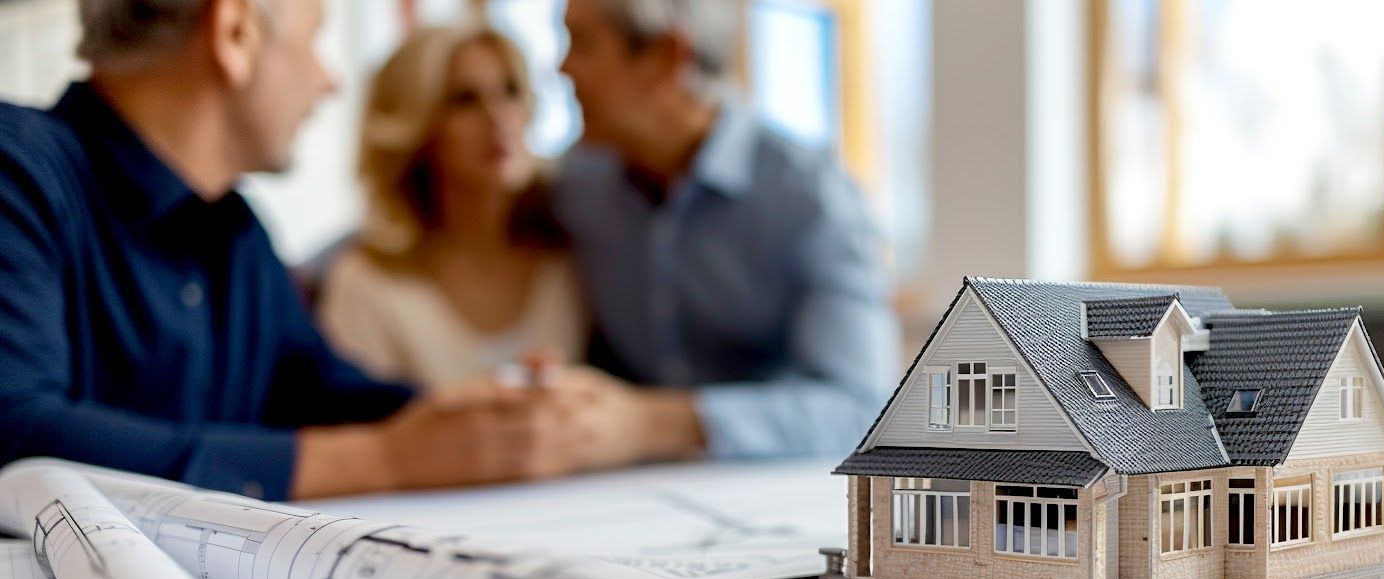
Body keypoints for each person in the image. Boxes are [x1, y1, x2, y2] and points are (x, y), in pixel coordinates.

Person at [0, 0, 568, 500]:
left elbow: (322, 392)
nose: (330, 82)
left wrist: (505, 416)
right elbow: (15, 427)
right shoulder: (18, 171)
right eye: (314, 36)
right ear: (235, 33)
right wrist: (383, 461)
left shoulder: (236, 234)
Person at [547, 0, 899, 470]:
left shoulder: (810, 198)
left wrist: (651, 423)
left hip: (770, 492)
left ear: (665, 57)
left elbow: (860, 408)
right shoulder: (575, 187)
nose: (561, 69)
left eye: (582, 44)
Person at [319, 25, 586, 389]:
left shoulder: (569, 254)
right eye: (465, 100)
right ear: (418, 127)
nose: (498, 117)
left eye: (510, 91)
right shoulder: (366, 284)